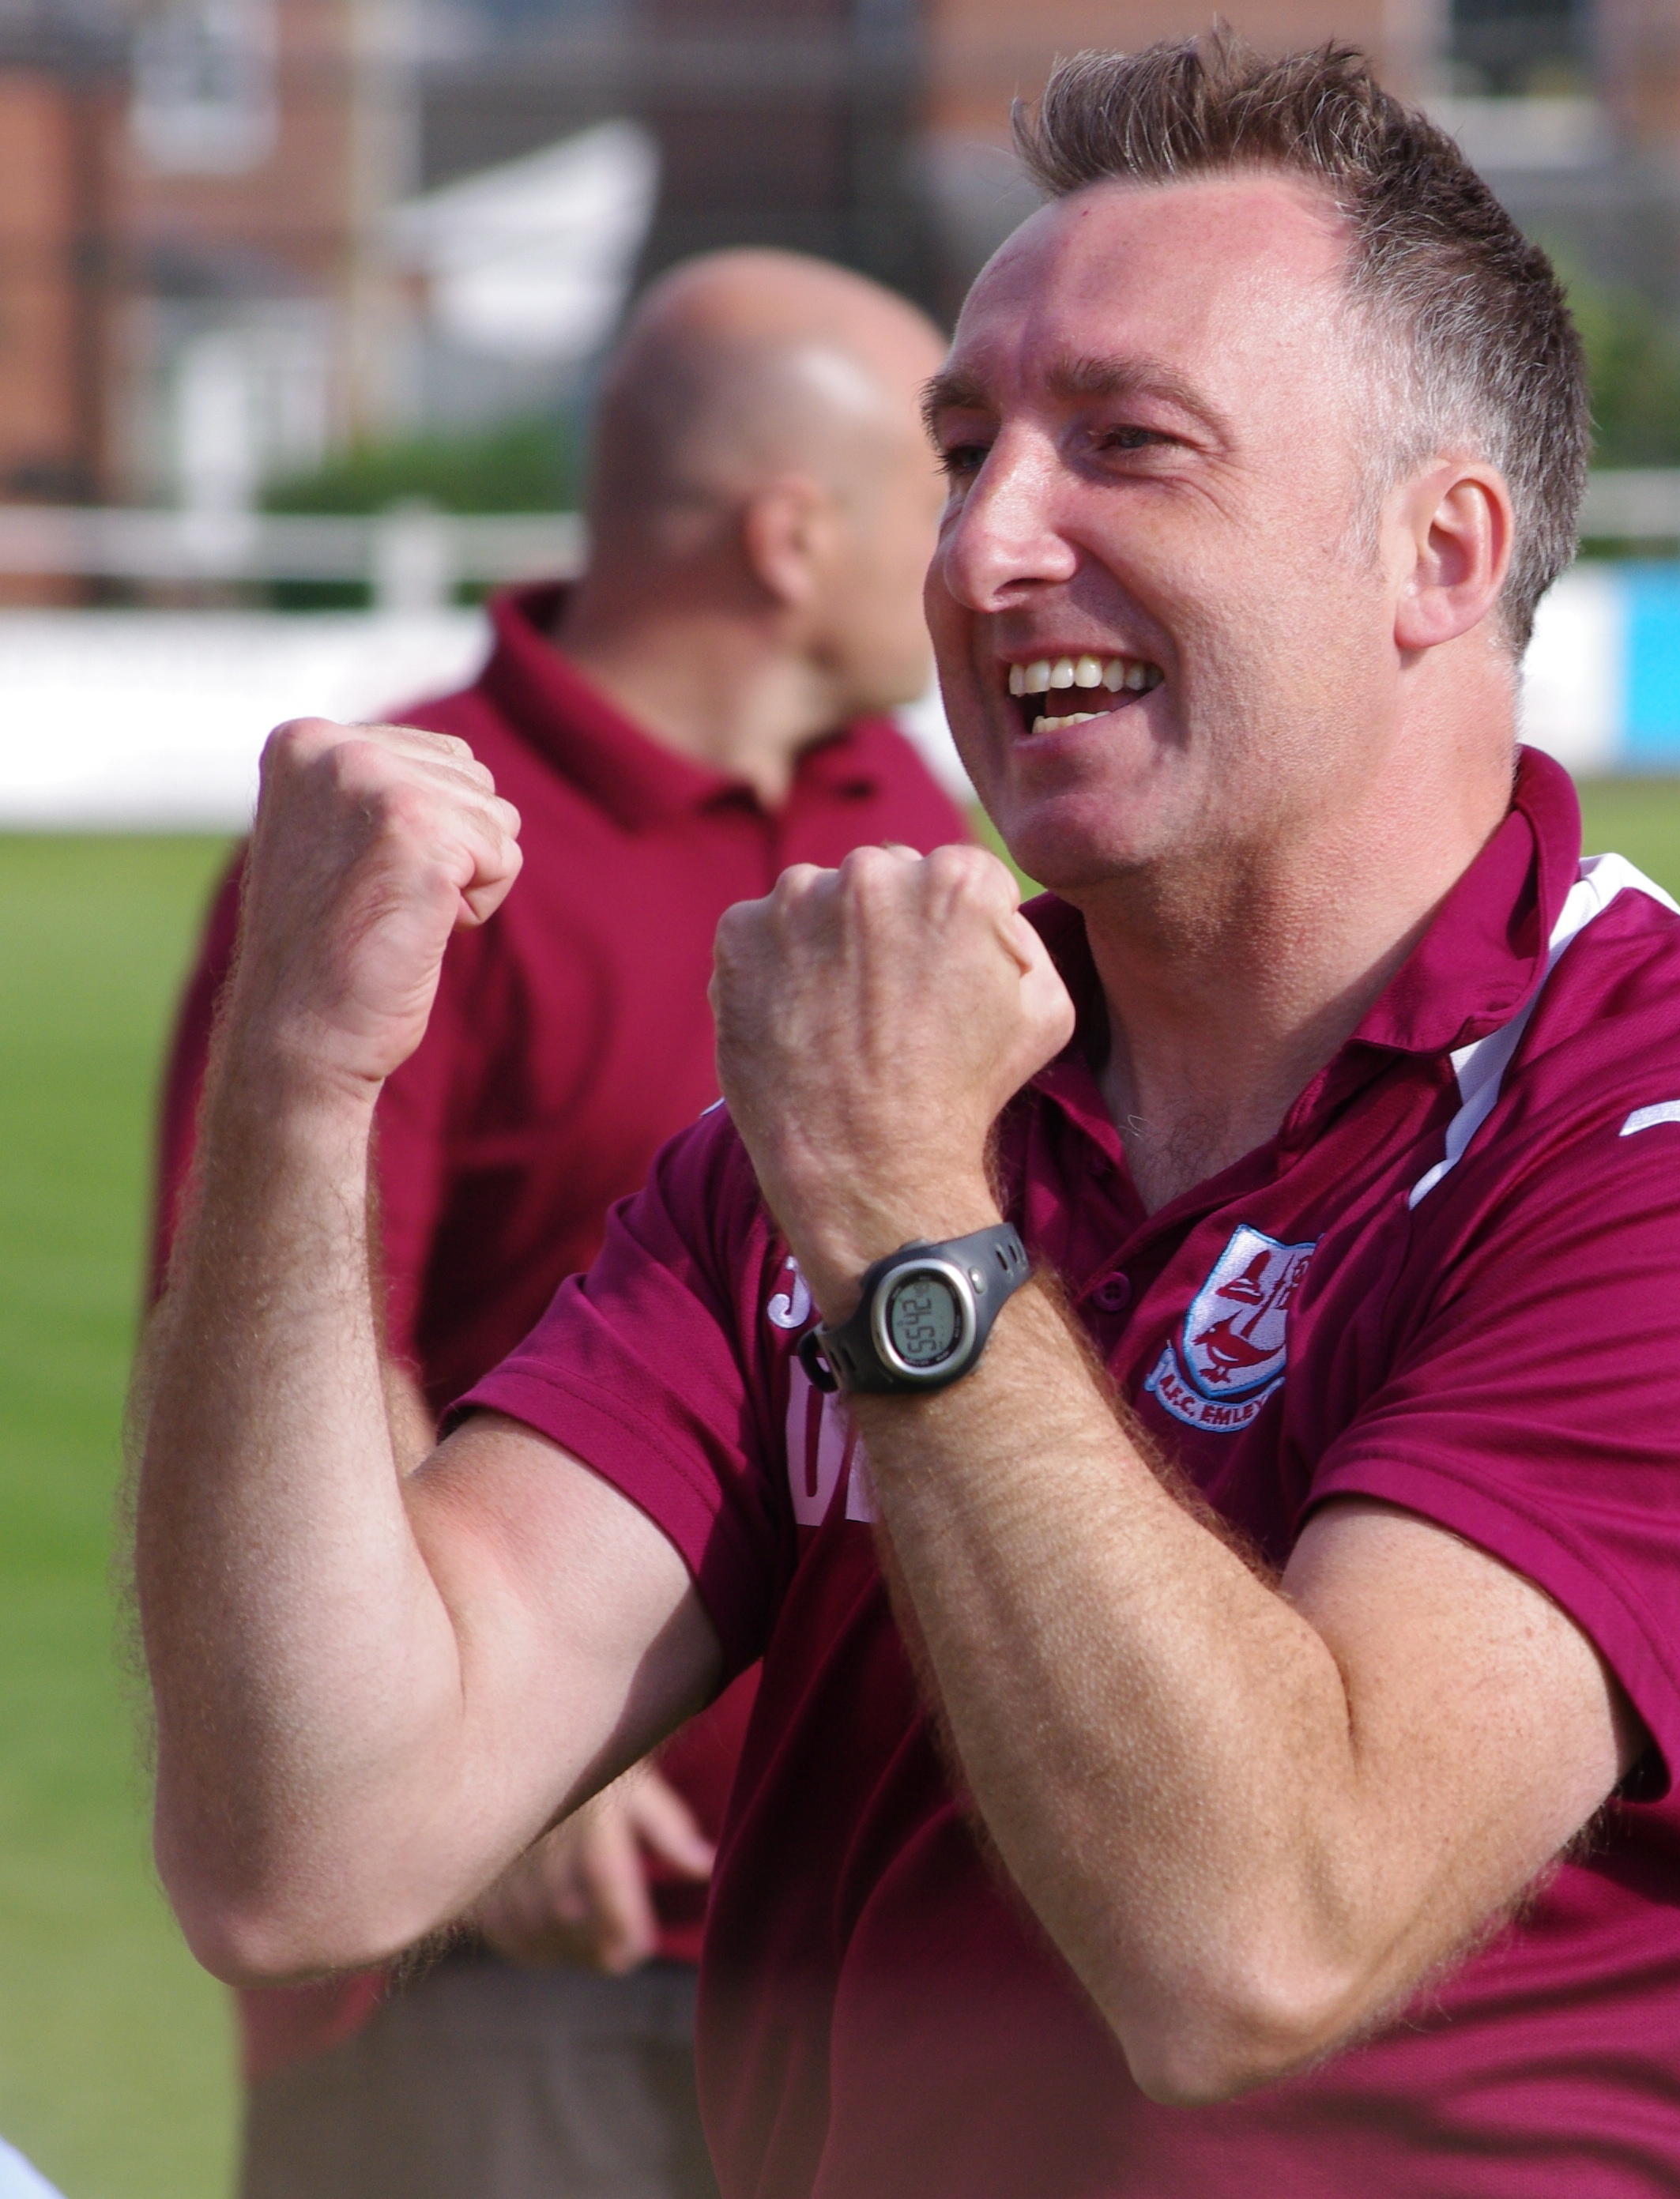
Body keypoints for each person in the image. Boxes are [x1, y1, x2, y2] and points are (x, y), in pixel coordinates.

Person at [134, 33, 1680, 2199]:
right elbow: (305, 1846)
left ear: (1441, 552)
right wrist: (302, 1088)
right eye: (968, 447)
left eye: (1128, 446)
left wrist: (903, 1223)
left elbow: (1259, 1942)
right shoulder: (864, 1119)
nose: (986, 547)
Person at [149, 247, 965, 2198]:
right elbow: (298, 1333)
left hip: (865, 1928)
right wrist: (465, 1764)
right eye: (946, 477)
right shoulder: (414, 839)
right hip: (506, 1953)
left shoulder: (920, 824)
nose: (995, 539)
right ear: (791, 537)